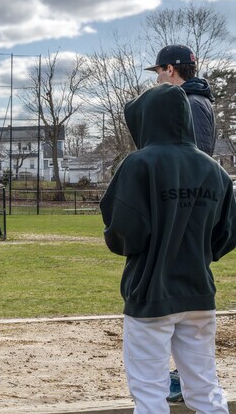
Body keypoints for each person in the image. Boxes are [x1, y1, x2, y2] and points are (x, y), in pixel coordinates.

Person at [100, 83, 235, 414]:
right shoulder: (215, 171)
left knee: (149, 393)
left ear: (146, 119)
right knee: (205, 387)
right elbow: (227, 233)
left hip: (150, 296)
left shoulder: (139, 164)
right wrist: (202, 253)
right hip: (199, 295)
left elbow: (125, 233)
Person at [145, 44, 219, 403]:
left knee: (175, 292)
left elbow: (193, 158)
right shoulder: (199, 99)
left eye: (159, 71)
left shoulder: (188, 103)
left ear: (171, 70)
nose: (158, 77)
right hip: (190, 207)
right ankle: (182, 374)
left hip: (185, 209)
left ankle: (177, 376)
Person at [145, 44, 217, 156]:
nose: (158, 80)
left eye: (158, 73)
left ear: (170, 69)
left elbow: (198, 158)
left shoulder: (191, 103)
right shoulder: (190, 99)